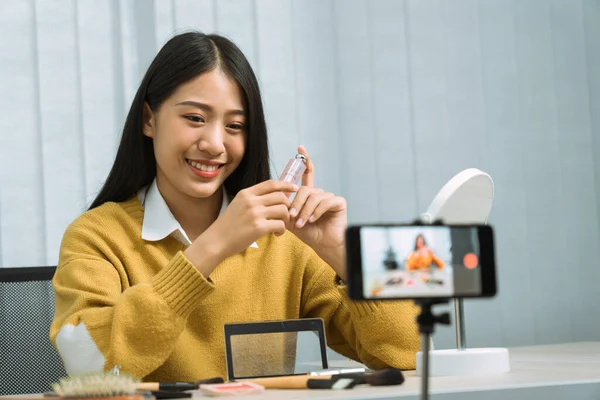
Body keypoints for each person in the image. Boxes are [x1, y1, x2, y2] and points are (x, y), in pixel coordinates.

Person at [49, 31, 419, 382]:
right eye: (194, 118)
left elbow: (408, 353)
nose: (214, 143)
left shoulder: (283, 241)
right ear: (149, 119)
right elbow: (88, 364)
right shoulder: (96, 236)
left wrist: (342, 254)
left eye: (235, 125)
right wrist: (213, 247)